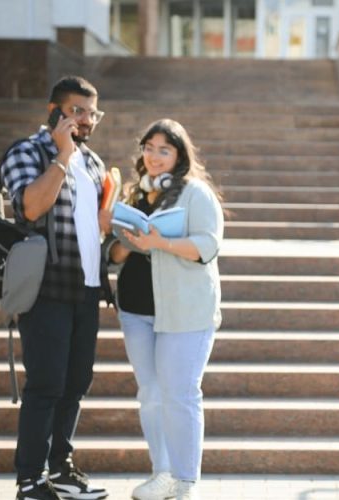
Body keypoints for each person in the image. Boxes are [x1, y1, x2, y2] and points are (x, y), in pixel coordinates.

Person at [1, 75, 112, 500]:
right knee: (46, 383)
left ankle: (61, 471)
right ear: (54, 112)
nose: (86, 120)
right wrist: (62, 156)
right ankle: (30, 479)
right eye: (77, 111)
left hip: (85, 287)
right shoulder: (26, 152)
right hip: (46, 287)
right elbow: (30, 206)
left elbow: (90, 226)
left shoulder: (94, 162)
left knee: (75, 382)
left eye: (92, 112)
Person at [108, 118, 224, 500]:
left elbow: (207, 246)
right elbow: (115, 254)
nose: (154, 156)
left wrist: (162, 242)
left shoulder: (196, 194)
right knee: (151, 394)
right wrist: (125, 242)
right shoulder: (132, 194)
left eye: (164, 149)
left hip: (185, 311)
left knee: (180, 392)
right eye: (149, 147)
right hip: (137, 309)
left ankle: (185, 480)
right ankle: (162, 472)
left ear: (179, 155)